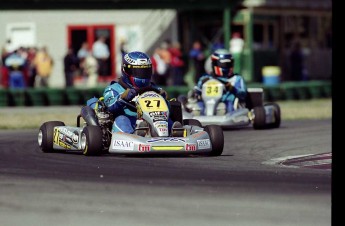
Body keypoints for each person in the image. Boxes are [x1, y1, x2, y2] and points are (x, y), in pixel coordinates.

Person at [87, 51, 181, 135]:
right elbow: (110, 106)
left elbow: (167, 110)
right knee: (122, 120)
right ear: (126, 70)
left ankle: (175, 132)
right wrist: (122, 98)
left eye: (145, 71)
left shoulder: (155, 89)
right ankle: (135, 135)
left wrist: (164, 100)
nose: (142, 75)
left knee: (168, 120)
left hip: (153, 120)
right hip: (128, 119)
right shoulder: (114, 89)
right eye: (138, 71)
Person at [192, 48, 247, 115]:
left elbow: (243, 94)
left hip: (229, 105)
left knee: (227, 106)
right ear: (215, 63)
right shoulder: (205, 79)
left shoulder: (236, 79)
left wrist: (231, 87)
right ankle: (200, 118)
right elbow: (197, 91)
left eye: (229, 64)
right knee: (198, 106)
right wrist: (196, 92)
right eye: (224, 64)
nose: (227, 67)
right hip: (206, 103)